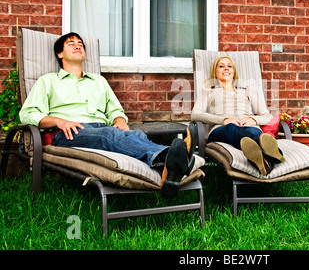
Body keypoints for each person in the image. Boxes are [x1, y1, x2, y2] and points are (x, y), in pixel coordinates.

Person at [19, 32, 197, 199]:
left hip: (102, 128)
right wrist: (59, 121)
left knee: (136, 134)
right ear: (60, 54)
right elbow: (28, 113)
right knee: (108, 136)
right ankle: (168, 156)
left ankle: (166, 172)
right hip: (70, 133)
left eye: (80, 44)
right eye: (71, 43)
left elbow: (115, 111)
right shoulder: (48, 81)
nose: (77, 46)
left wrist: (119, 120)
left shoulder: (98, 81)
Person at [191, 56, 285, 176]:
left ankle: (265, 164)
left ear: (234, 72)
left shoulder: (247, 91)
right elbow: (195, 114)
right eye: (221, 66)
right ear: (215, 72)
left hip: (248, 127)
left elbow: (267, 115)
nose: (226, 68)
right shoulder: (208, 92)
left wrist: (253, 120)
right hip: (221, 129)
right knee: (233, 128)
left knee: (254, 132)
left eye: (229, 66)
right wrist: (224, 120)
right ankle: (276, 153)